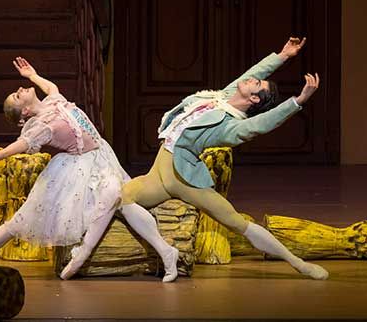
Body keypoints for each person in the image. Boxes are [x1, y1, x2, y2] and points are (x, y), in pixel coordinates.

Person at [0, 57, 179, 282]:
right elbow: (8, 151)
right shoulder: (40, 127)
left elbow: (50, 87)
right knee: (22, 221)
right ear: (24, 112)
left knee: (123, 199)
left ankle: (166, 253)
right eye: (17, 96)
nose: (20, 89)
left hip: (102, 157)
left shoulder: (53, 101)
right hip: (79, 168)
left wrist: (32, 75)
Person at [121, 37, 329, 280]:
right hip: (158, 171)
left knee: (236, 223)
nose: (251, 79)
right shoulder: (221, 97)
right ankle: (166, 252)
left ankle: (298, 264)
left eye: (256, 84)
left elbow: (262, 123)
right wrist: (283, 55)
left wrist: (298, 101)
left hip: (181, 178)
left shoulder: (231, 125)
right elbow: (255, 71)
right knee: (122, 197)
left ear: (254, 99)